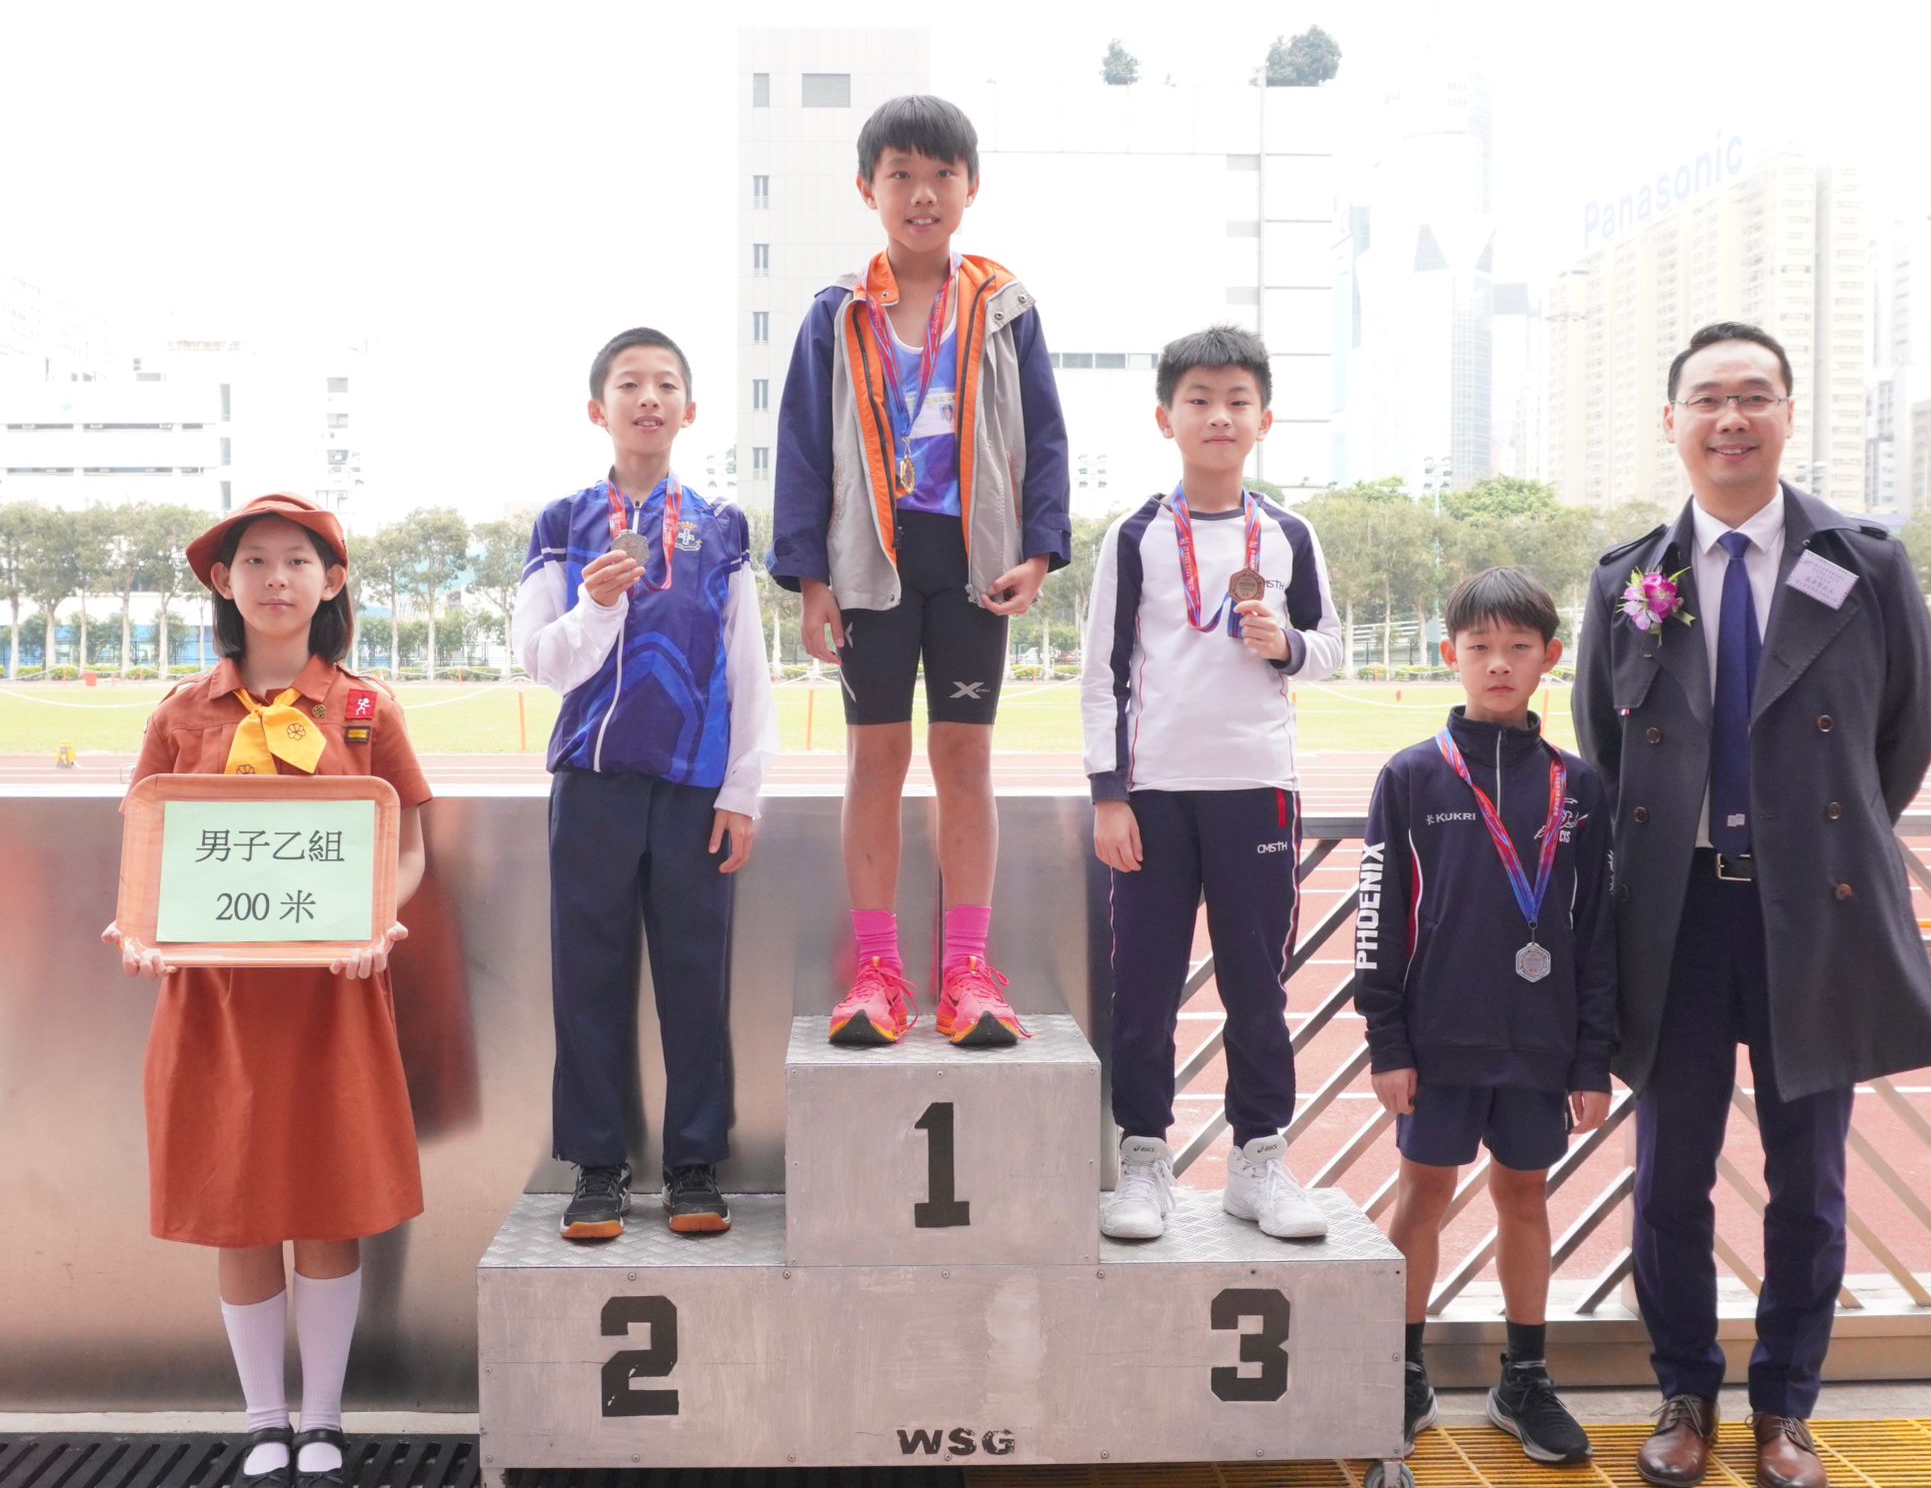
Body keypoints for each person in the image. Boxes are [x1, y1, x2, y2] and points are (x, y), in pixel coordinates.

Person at [1574, 321, 1931, 1488]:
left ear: (1788, 414)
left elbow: (1903, 736)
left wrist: (1809, 846)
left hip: (1811, 917)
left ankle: (1785, 1405)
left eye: (1752, 397)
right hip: (1673, 922)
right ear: (1670, 422)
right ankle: (1683, 1393)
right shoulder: (1627, 580)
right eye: (1705, 400)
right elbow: (1601, 745)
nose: (1728, 420)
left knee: (1810, 1180)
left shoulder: (1864, 564)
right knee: (1665, 1174)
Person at [105, 492, 428, 1488]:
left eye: (298, 561)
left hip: (334, 998)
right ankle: (262, 1428)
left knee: (328, 1202)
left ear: (331, 583)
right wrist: (138, 930)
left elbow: (407, 845)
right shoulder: (180, 713)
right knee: (238, 1207)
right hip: (218, 1005)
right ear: (222, 582)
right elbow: (151, 849)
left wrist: (379, 919)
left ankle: (324, 1424)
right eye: (255, 562)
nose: (276, 580)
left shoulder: (367, 710)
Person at [768, 93, 1070, 1048]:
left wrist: (1038, 549)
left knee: (965, 759)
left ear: (970, 188)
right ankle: (877, 970)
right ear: (869, 189)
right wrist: (811, 577)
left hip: (974, 560)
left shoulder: (1006, 305)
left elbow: (1047, 438)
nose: (922, 193)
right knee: (876, 760)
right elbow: (804, 451)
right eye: (901, 174)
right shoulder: (837, 314)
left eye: (942, 174)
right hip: (870, 561)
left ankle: (969, 972)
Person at [513, 327, 775, 1243]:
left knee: (695, 978)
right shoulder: (562, 524)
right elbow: (542, 664)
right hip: (591, 786)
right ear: (600, 409)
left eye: (667, 383)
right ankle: (596, 1168)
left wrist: (743, 788)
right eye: (630, 383)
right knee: (587, 976)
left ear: (691, 410)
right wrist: (598, 602)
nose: (649, 397)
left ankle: (695, 1163)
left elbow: (748, 666)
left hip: (697, 787)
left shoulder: (724, 528)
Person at [1086, 325, 1343, 1242]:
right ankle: (1143, 1160)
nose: (1219, 415)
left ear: (1264, 419)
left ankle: (1258, 1160)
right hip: (1154, 794)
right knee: (1145, 988)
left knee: (1256, 990)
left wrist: (1290, 645)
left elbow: (1331, 651)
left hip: (1257, 789)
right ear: (1167, 418)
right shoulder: (1135, 538)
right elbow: (1103, 673)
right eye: (1198, 399)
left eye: (1238, 400)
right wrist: (1108, 793)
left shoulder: (1289, 534)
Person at [1357, 567, 1616, 1464]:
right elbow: (1377, 915)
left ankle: (1526, 1376)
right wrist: (1386, 1038)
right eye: (1479, 648)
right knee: (1421, 1196)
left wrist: (1591, 1058)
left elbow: (1598, 932)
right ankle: (1401, 1369)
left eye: (1518, 648)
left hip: (1541, 1044)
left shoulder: (1577, 785)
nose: (1498, 664)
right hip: (1437, 1040)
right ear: (1450, 656)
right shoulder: (1414, 775)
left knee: (1525, 1195)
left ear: (1550, 657)